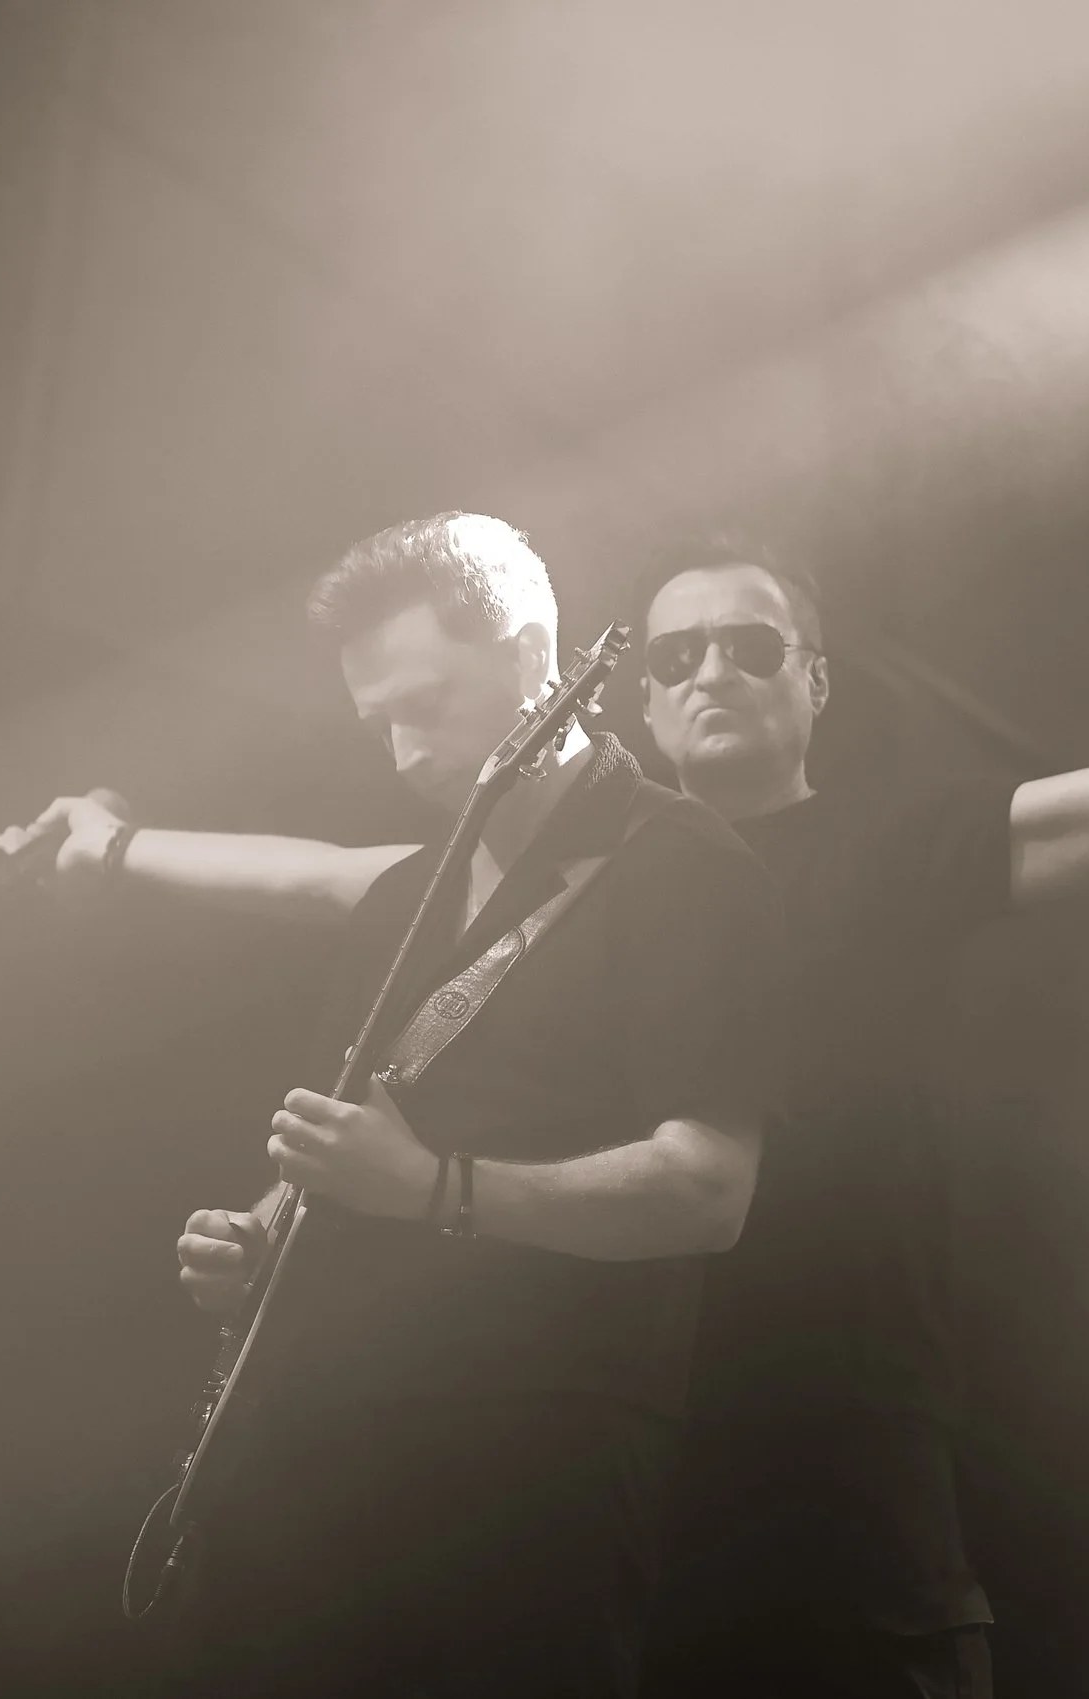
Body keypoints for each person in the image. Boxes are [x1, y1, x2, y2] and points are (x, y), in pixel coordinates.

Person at [4, 536, 1089, 1697]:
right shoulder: (554, 878)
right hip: (617, 1413)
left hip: (833, 1390)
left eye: (751, 645)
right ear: (634, 690)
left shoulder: (883, 846)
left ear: (814, 680)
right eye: (675, 653)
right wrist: (120, 843)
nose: (710, 672)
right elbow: (327, 877)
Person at [93, 513, 785, 1699]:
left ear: (531, 657)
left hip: (521, 1484)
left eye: (424, 704)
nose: (405, 752)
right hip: (314, 1463)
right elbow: (353, 1135)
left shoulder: (683, 864)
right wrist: (259, 1232)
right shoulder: (407, 894)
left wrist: (431, 1189)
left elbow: (710, 1186)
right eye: (379, 724)